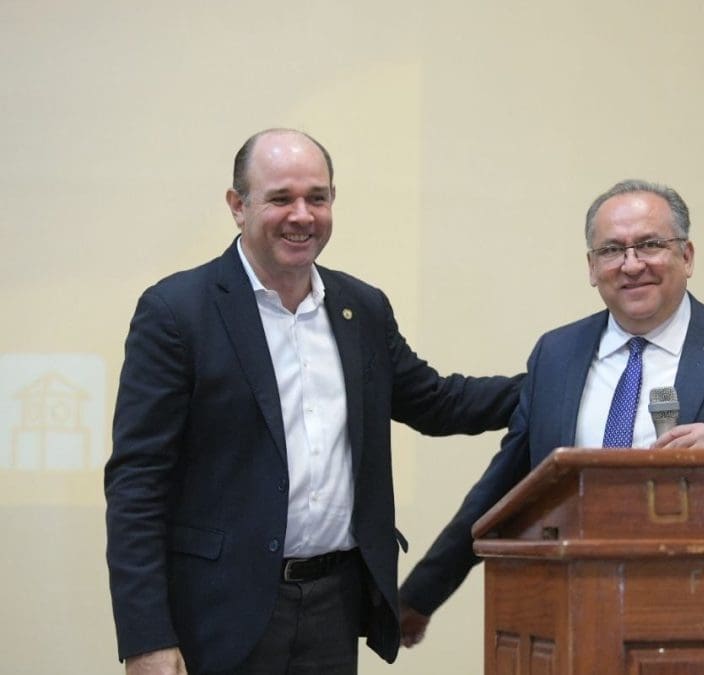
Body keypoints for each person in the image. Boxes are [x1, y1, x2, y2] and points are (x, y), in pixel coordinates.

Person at [104, 128, 522, 674]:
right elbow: (137, 483)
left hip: (334, 607)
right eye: (281, 198)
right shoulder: (177, 312)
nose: (302, 215)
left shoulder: (361, 308)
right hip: (219, 612)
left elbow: (437, 402)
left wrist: (562, 379)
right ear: (238, 206)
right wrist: (146, 638)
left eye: (317, 198)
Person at [397, 179, 704, 646]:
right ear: (592, 267)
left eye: (649, 245)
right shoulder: (557, 354)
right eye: (612, 250)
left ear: (686, 256)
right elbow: (505, 487)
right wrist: (421, 596)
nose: (632, 265)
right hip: (581, 616)